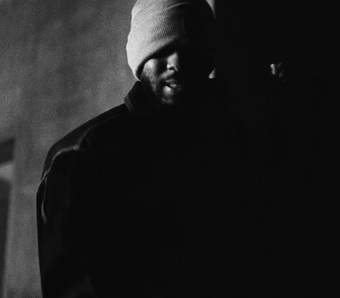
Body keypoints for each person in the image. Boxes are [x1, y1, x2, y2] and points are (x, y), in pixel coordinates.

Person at [36, 0, 255, 297]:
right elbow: (70, 286)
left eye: (190, 48)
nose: (176, 62)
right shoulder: (84, 153)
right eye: (162, 48)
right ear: (141, 57)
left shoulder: (229, 139)